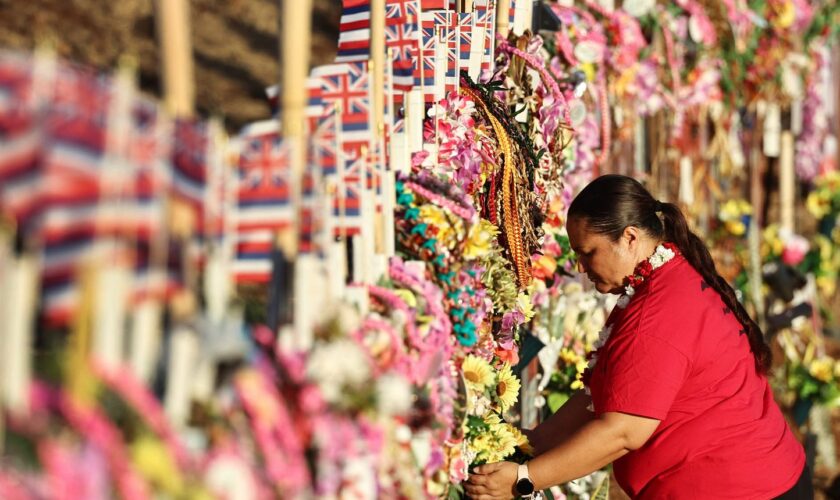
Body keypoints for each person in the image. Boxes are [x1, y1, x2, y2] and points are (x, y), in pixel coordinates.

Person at [465, 175, 810, 499]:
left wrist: (525, 479)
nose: (581, 267)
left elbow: (623, 431)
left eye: (589, 252)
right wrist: (532, 445)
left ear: (630, 238)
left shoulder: (659, 312)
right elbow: (605, 395)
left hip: (744, 488)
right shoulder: (664, 281)